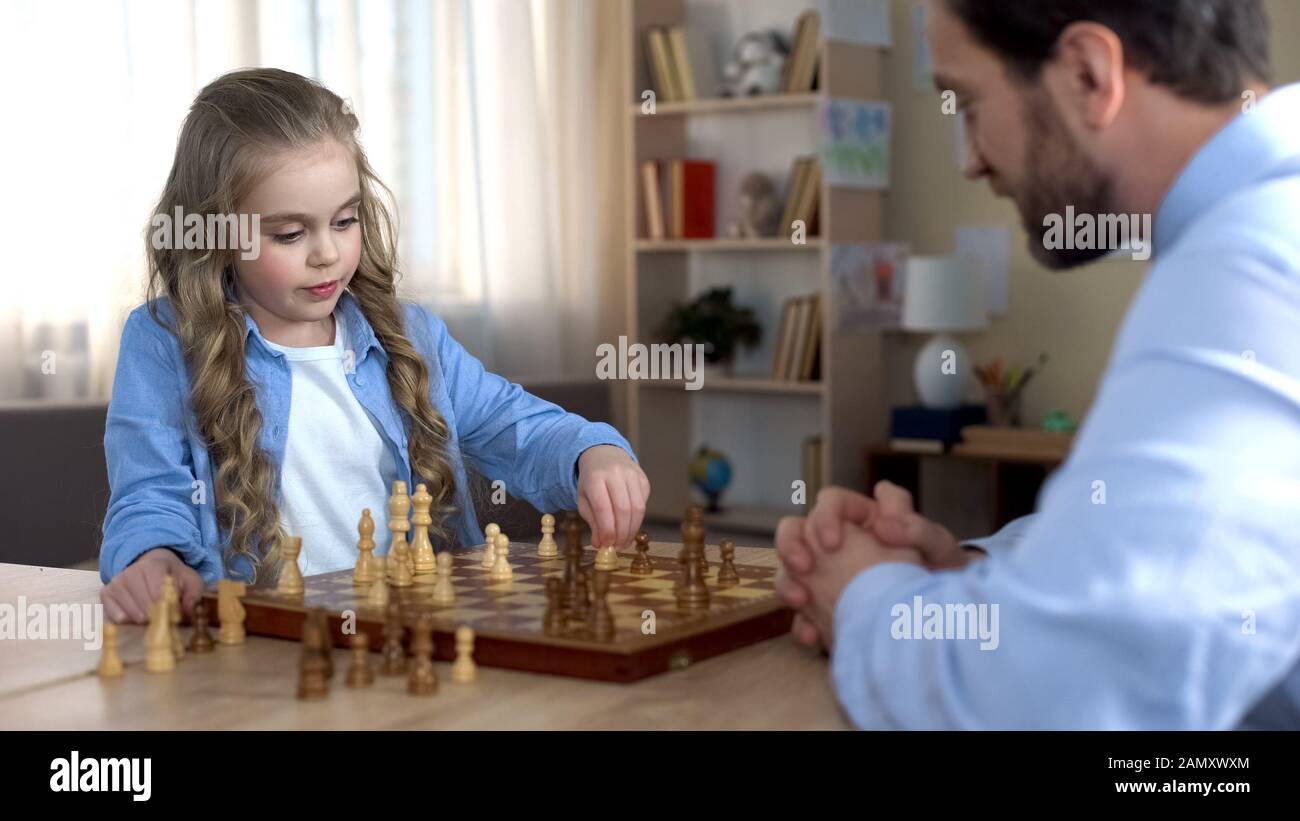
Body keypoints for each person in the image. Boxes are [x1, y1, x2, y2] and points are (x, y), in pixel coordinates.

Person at [778, 0, 1300, 728]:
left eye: (968, 102)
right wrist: (971, 574)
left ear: (1088, 74)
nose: (970, 159)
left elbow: (1044, 701)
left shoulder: (1249, 271)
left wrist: (867, 595)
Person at [100, 68, 649, 624]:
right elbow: (148, 495)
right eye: (289, 235)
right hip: (263, 646)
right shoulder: (163, 341)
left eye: (345, 220)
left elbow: (515, 426)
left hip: (407, 636)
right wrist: (153, 556)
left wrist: (591, 453)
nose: (326, 254)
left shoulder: (413, 337)